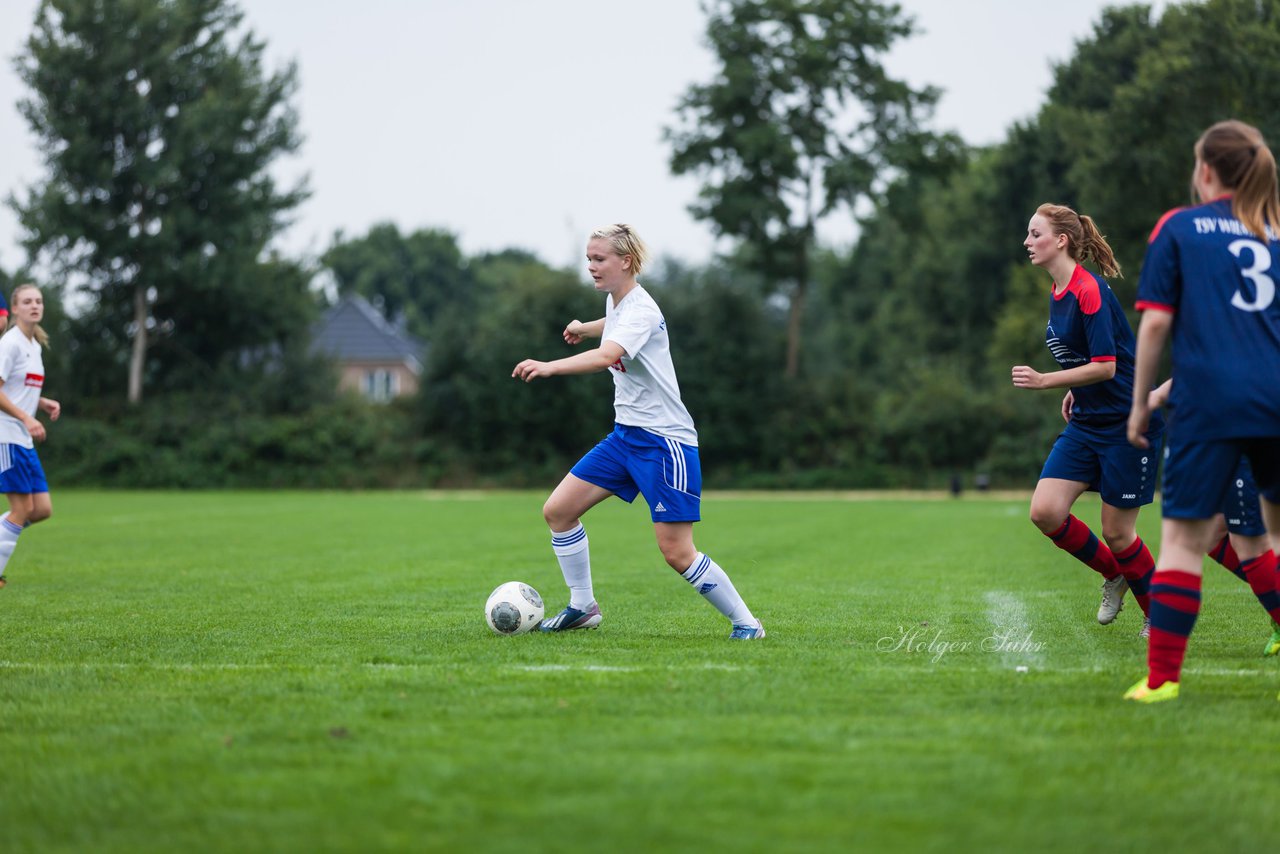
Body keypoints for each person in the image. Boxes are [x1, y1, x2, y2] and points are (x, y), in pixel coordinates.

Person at [511, 224, 764, 639]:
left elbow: (608, 354)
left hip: (666, 444)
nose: (590, 266)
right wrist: (584, 326)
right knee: (558, 511)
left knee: (677, 552)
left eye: (599, 259)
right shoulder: (619, 304)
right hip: (625, 438)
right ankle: (582, 606)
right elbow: (613, 324)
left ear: (625, 261)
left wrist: (550, 365)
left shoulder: (641, 310)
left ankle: (747, 624)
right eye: (588, 259)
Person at [1125, 119, 1280, 703]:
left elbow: (1157, 322)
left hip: (1208, 403)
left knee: (1184, 545)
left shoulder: (1180, 227)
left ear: (1207, 170)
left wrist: (1140, 404)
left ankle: (1162, 681)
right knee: (1272, 544)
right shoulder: (1277, 231)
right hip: (1275, 399)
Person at [1012, 204, 1164, 635]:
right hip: (1088, 421)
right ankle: (1113, 575)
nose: (1027, 242)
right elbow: (1086, 359)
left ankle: (1160, 616)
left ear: (1061, 240)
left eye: (1034, 233)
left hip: (1126, 424)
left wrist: (1048, 381)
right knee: (1045, 511)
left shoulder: (1088, 290)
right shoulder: (1058, 292)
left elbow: (1107, 365)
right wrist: (1076, 390)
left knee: (1118, 533)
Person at [1148, 379, 1280, 656]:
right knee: (1212, 535)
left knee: (1249, 542)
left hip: (1250, 426)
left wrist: (1155, 397)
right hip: (1227, 431)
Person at [0, 284, 59, 589]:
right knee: (21, 509)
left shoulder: (33, 344)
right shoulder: (9, 344)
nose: (34, 305)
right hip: (7, 435)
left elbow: (18, 388)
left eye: (38, 300)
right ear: (16, 308)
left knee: (42, 510)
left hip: (23, 438)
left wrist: (41, 401)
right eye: (27, 301)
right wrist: (25, 416)